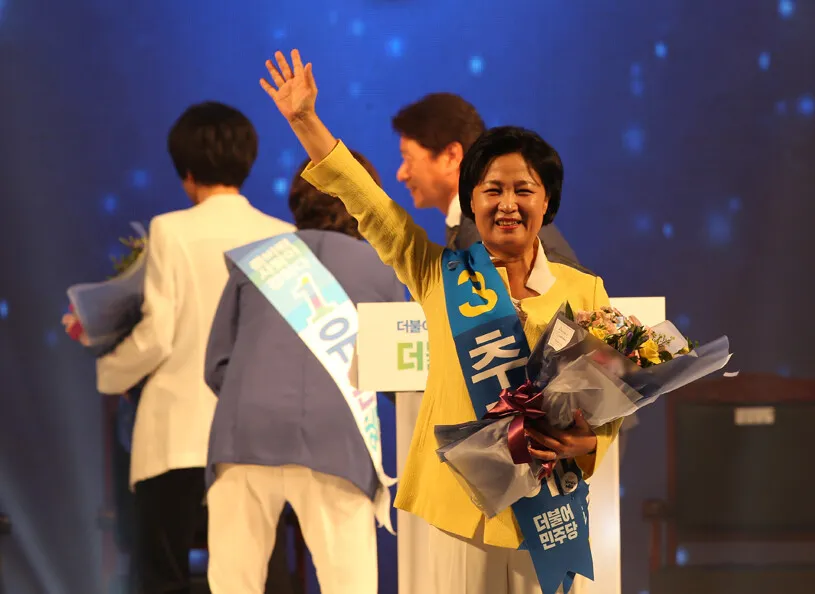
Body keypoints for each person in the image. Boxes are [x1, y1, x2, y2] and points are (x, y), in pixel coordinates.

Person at [260, 49, 621, 594]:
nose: (507, 204)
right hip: (462, 509)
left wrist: (589, 446)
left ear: (547, 203)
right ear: (471, 201)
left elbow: (611, 397)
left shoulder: (584, 289)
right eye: (491, 190)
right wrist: (307, 122)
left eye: (523, 190)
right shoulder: (440, 274)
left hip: (547, 511)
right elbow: (370, 205)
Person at [90, 101, 296, 594]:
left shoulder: (170, 230)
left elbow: (158, 334)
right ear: (248, 160)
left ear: (186, 171)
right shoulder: (283, 235)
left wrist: (109, 371)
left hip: (178, 436)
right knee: (255, 574)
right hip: (255, 440)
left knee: (165, 576)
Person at [202, 149, 401, 594]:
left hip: (243, 435)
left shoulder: (256, 260)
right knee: (349, 585)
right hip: (336, 442)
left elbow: (217, 367)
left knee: (234, 584)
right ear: (366, 202)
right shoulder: (384, 271)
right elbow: (402, 377)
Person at [392, 92, 583, 266]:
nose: (401, 174)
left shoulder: (486, 226)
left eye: (408, 159)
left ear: (451, 156)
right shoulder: (470, 225)